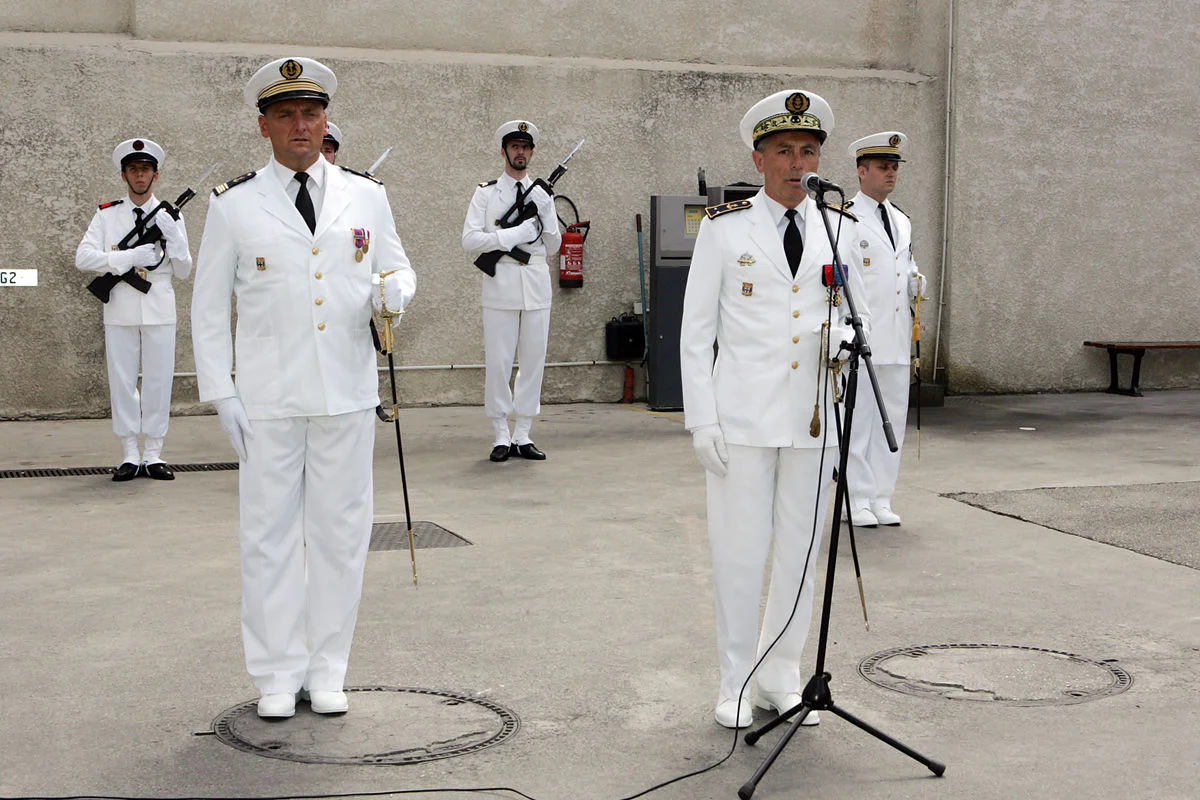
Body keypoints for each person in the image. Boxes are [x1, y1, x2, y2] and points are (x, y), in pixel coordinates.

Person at [191, 57, 416, 719]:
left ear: (326, 121)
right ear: (264, 125)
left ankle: (328, 669)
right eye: (286, 114)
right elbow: (207, 309)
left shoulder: (366, 196)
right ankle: (276, 673)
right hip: (267, 400)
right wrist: (222, 394)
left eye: (311, 113)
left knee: (342, 537)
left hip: (346, 392)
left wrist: (396, 291)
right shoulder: (233, 206)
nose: (301, 125)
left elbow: (398, 267)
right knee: (267, 540)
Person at [680, 89, 869, 729]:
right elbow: (695, 331)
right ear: (758, 159)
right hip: (740, 422)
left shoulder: (837, 226)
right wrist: (701, 419)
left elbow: (855, 317)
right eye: (784, 151)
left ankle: (780, 676)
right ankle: (735, 679)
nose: (798, 162)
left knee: (799, 552)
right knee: (738, 552)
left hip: (812, 420)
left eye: (809, 151)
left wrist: (843, 340)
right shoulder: (724, 227)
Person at [75, 138, 192, 481]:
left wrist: (176, 239)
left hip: (159, 307)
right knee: (123, 381)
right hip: (121, 307)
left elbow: (184, 270)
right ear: (124, 174)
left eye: (146, 169)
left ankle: (154, 453)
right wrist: (126, 258)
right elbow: (83, 257)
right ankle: (129, 452)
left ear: (156, 175)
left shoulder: (172, 216)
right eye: (133, 169)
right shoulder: (107, 214)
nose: (139, 176)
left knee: (158, 381)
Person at [461, 120, 561, 462]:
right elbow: (470, 240)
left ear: (532, 152)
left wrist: (546, 213)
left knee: (533, 362)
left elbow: (551, 247)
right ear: (504, 150)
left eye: (526, 147)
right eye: (515, 146)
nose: (521, 152)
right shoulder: (486, 193)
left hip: (535, 283)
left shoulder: (541, 195)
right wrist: (512, 235)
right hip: (500, 281)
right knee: (499, 362)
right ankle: (501, 433)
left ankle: (523, 433)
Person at [843, 132, 925, 528]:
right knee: (858, 421)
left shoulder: (902, 220)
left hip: (896, 335)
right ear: (862, 171)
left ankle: (881, 496)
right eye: (882, 167)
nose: (890, 174)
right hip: (862, 337)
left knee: (891, 415)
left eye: (894, 167)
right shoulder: (845, 218)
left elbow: (903, 266)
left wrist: (914, 280)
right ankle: (855, 498)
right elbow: (841, 280)